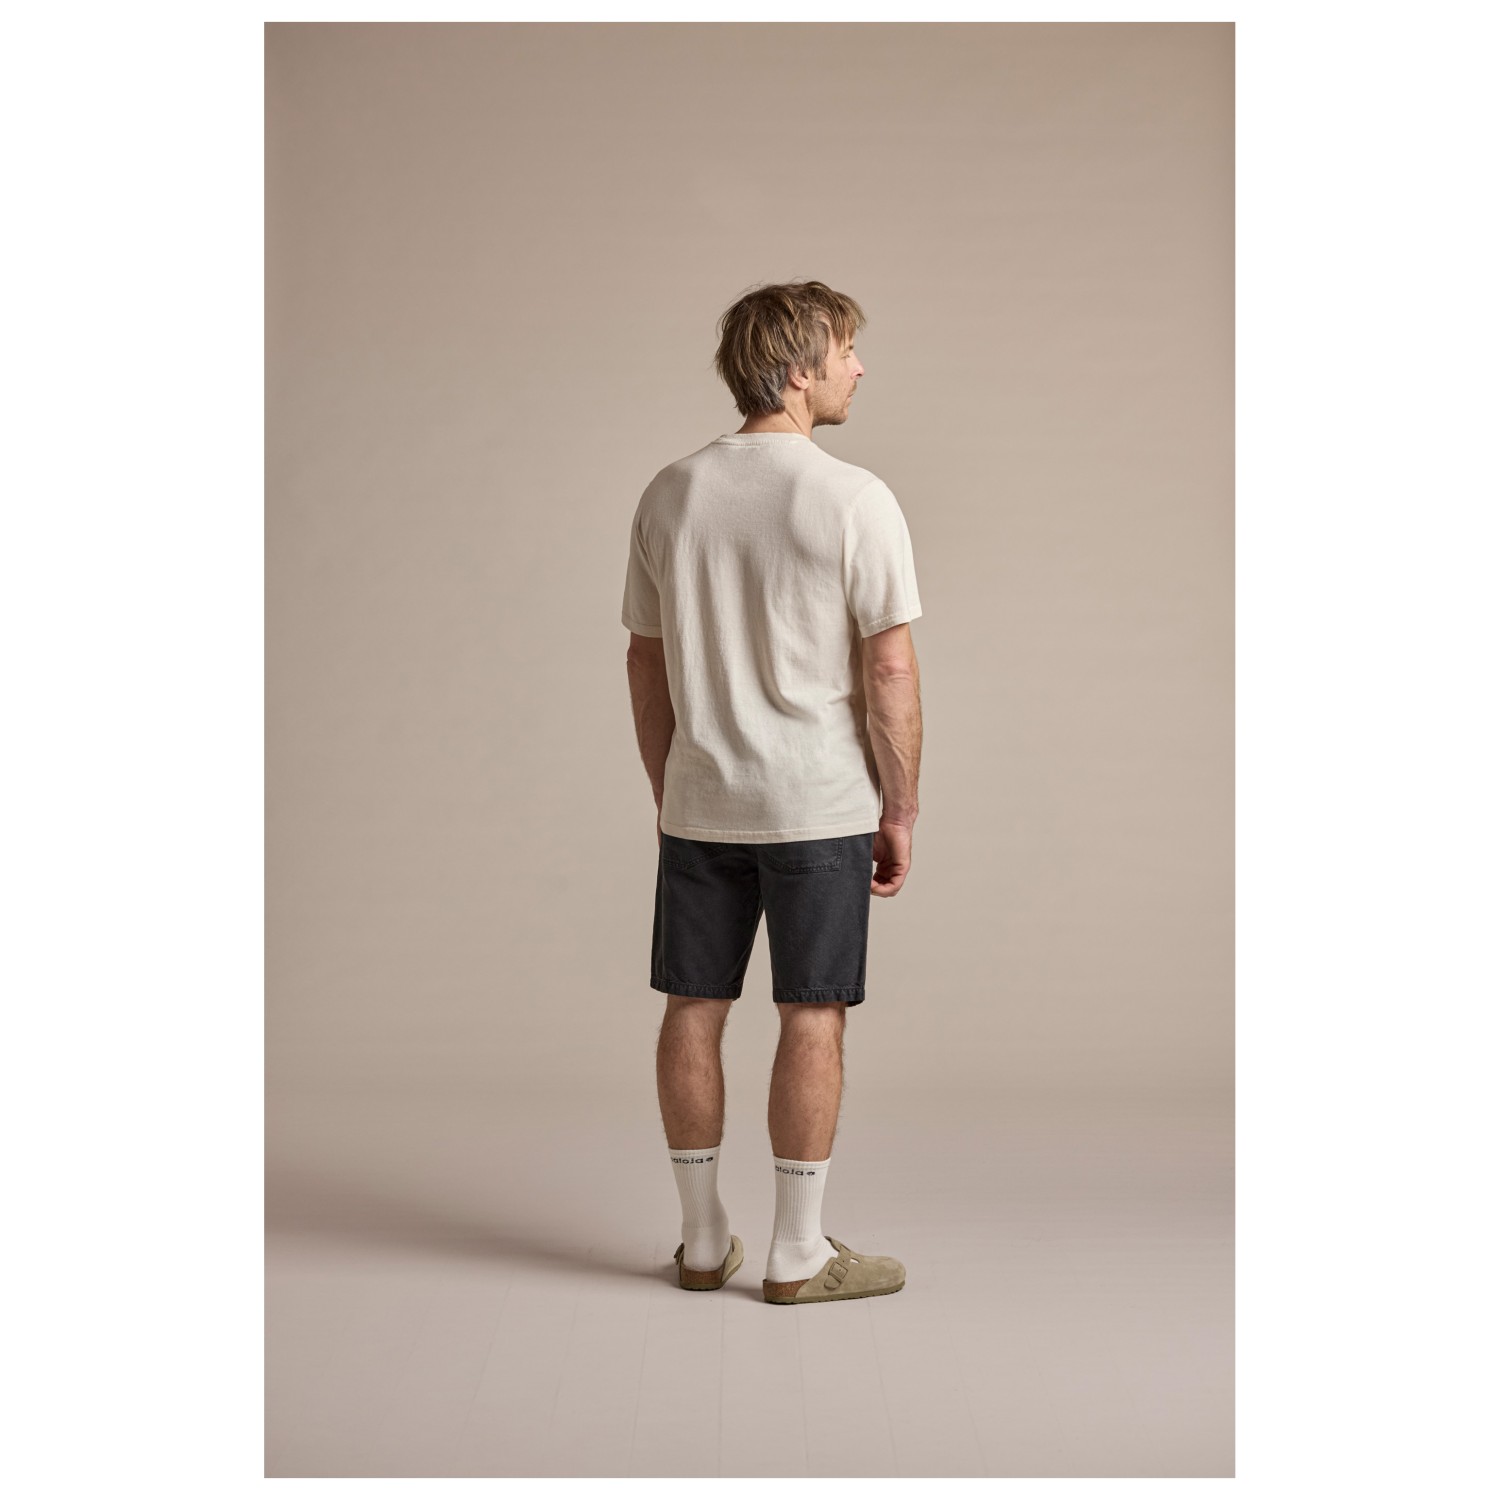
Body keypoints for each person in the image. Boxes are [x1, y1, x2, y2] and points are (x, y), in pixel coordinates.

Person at [620, 279, 924, 1306]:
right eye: (846, 350)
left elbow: (645, 661)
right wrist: (900, 808)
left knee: (692, 1007)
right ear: (798, 370)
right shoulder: (854, 498)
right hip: (819, 804)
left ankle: (703, 1241)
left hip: (701, 801)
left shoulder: (670, 492)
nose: (859, 368)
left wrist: (672, 786)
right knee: (812, 1014)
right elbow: (890, 669)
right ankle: (797, 1253)